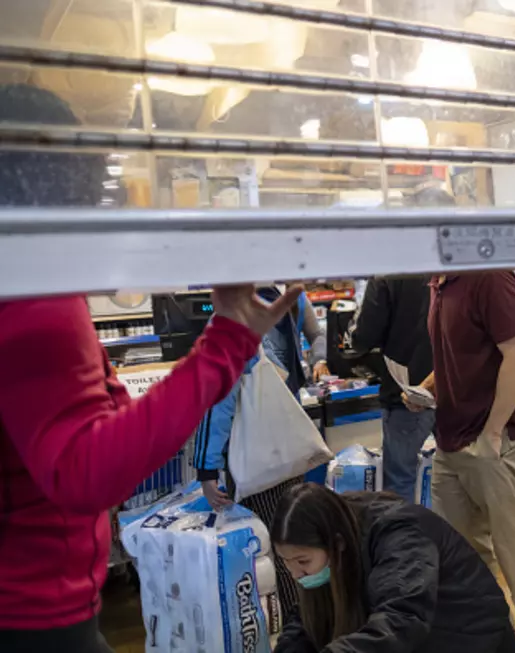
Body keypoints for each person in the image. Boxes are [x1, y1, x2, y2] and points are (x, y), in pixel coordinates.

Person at [0, 84, 301, 653]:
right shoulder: (37, 298)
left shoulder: (27, 287)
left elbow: (114, 446)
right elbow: (86, 472)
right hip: (31, 613)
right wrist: (224, 347)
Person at [406, 271, 515, 653]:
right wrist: (426, 388)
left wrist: (493, 433)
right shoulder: (439, 283)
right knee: (459, 555)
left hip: (494, 441)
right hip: (451, 441)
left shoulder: (491, 276)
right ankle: (489, 638)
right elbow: (460, 356)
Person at [194, 286, 324, 615]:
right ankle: (316, 616)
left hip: (255, 458)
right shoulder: (292, 299)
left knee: (275, 548)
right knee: (297, 538)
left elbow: (217, 404)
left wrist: (207, 470)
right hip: (288, 442)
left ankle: (297, 627)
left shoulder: (231, 322)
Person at [270, 484, 515, 653]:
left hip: (469, 637)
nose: (295, 574)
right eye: (285, 561)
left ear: (337, 543)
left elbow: (402, 616)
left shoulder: (399, 534)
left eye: (303, 562)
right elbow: (306, 617)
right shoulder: (337, 530)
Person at [344, 275, 433, 501]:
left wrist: (351, 335)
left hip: (407, 393)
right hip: (453, 388)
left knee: (400, 481)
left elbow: (364, 336)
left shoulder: (387, 273)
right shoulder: (447, 264)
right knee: (452, 477)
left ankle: (403, 535)